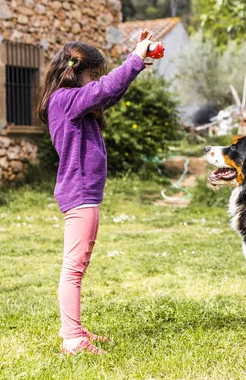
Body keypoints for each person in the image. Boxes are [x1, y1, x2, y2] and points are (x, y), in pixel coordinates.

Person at [36, 30, 155, 355]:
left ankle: (72, 328)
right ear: (77, 72)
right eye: (92, 75)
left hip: (83, 194)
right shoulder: (65, 99)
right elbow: (104, 89)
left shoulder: (73, 101)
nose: (95, 82)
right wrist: (132, 60)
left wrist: (139, 62)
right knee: (74, 268)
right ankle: (73, 339)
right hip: (79, 195)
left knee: (77, 265)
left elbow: (107, 94)